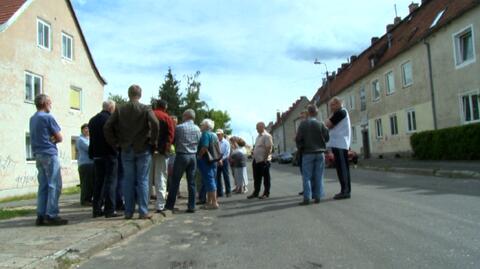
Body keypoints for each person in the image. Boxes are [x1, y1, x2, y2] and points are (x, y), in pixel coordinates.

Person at [104, 85, 159, 219]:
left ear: (128, 94)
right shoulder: (146, 108)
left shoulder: (120, 109)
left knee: (128, 180)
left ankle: (128, 212)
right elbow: (155, 123)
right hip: (143, 148)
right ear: (140, 95)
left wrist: (115, 142)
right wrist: (153, 141)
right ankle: (143, 211)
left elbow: (107, 126)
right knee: (142, 180)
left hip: (126, 148)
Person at [29, 94, 68, 226]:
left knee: (43, 185)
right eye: (50, 102)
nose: (51, 105)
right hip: (49, 153)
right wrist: (52, 139)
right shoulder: (47, 117)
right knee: (54, 184)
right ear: (45, 103)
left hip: (38, 154)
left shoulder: (32, 118)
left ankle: (40, 215)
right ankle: (51, 214)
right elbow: (59, 137)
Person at [88, 100, 121, 218]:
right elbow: (116, 136)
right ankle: (110, 209)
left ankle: (96, 209)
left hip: (97, 155)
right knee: (111, 182)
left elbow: (91, 139)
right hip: (109, 154)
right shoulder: (111, 119)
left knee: (99, 183)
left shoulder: (92, 120)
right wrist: (118, 148)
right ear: (111, 108)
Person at [165, 109, 201, 213]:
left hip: (182, 155)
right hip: (193, 156)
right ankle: (191, 206)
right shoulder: (197, 129)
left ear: (185, 116)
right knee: (192, 182)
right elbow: (198, 141)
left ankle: (170, 205)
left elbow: (173, 140)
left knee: (175, 181)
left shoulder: (179, 128)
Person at [295, 105, 329, 205]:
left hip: (308, 153)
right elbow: (327, 138)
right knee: (319, 175)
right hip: (320, 153)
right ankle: (317, 196)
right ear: (316, 113)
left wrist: (300, 148)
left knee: (307, 177)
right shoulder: (321, 124)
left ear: (309, 112)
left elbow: (298, 139)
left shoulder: (303, 124)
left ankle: (307, 198)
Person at [149, 99, 175, 213]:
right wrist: (165, 148)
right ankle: (160, 205)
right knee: (161, 177)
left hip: (148, 150)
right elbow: (171, 135)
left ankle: (144, 202)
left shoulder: (150, 115)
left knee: (147, 178)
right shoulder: (167, 118)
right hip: (162, 151)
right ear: (165, 107)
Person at [325, 97, 352, 200]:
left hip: (340, 144)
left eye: (332, 105)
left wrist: (330, 116)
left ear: (337, 104)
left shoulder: (340, 113)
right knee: (343, 168)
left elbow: (327, 124)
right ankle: (346, 190)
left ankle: (345, 191)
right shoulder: (342, 112)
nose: (331, 108)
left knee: (342, 169)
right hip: (341, 144)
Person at [197, 119, 219, 209]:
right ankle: (209, 202)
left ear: (206, 126)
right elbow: (217, 147)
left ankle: (214, 203)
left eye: (201, 124)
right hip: (213, 160)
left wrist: (199, 156)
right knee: (210, 180)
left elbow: (205, 147)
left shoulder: (205, 134)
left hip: (206, 160)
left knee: (209, 181)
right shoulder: (214, 135)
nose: (200, 126)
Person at [247, 122, 273, 200]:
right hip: (256, 160)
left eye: (257, 127)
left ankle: (266, 193)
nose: (256, 129)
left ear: (262, 127)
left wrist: (265, 159)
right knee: (256, 177)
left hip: (263, 160)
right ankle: (256, 192)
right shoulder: (258, 136)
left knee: (266, 178)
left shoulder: (267, 136)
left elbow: (269, 148)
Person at [76, 124, 94, 206]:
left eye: (88, 129)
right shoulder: (81, 140)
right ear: (82, 130)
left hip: (91, 163)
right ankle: (85, 200)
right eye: (85, 129)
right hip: (85, 164)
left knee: (90, 183)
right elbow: (89, 148)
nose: (87, 131)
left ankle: (89, 199)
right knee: (86, 183)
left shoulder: (90, 139)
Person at [215, 129, 231, 197]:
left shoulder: (226, 142)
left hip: (224, 160)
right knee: (218, 177)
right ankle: (219, 192)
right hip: (217, 159)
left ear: (222, 134)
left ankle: (228, 191)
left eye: (219, 134)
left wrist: (221, 159)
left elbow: (227, 153)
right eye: (217, 134)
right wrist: (218, 160)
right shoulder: (216, 142)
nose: (218, 135)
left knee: (226, 176)